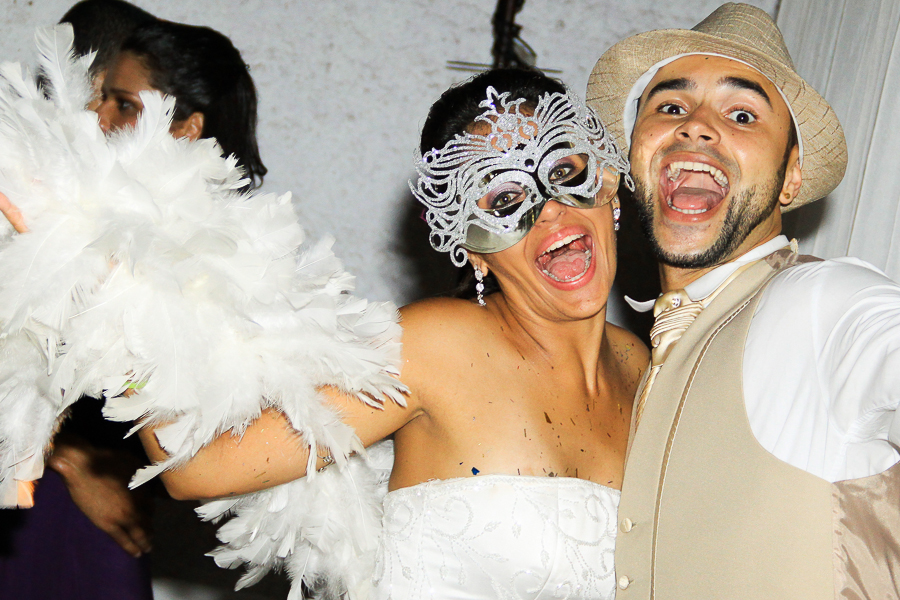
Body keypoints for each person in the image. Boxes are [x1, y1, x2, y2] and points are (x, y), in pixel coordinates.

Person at [132, 67, 648, 598]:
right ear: (474, 251)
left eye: (563, 171)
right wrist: (120, 293)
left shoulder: (647, 371)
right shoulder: (436, 346)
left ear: (608, 187)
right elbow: (197, 466)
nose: (550, 209)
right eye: (503, 200)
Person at [585, 3, 900, 598]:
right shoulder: (630, 367)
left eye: (742, 114)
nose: (696, 126)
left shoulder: (821, 303)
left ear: (790, 177)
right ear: (632, 157)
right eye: (670, 107)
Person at [0, 17, 269, 600]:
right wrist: (71, 461)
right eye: (98, 96)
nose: (94, 116)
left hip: (111, 512)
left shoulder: (237, 252)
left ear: (186, 127)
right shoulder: (41, 212)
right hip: (30, 488)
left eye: (121, 103)